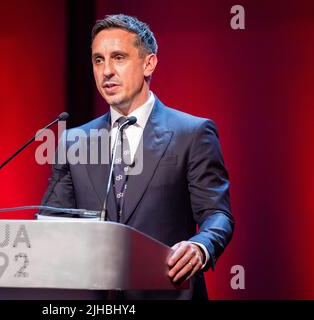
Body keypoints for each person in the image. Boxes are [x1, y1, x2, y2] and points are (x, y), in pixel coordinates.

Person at [40, 14, 234, 300]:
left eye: (118, 58)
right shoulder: (73, 141)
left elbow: (217, 214)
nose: (106, 71)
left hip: (167, 292)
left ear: (149, 63)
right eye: (98, 60)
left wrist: (200, 247)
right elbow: (54, 223)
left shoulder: (191, 133)